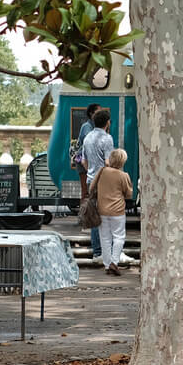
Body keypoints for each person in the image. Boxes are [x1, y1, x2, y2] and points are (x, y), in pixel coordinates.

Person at [93, 148, 136, 275]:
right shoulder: (124, 175)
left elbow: (91, 187)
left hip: (102, 209)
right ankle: (114, 262)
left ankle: (107, 265)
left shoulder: (102, 171)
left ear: (111, 159)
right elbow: (129, 194)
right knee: (119, 237)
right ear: (123, 161)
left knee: (105, 238)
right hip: (118, 211)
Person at [81, 108, 113, 260]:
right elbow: (108, 162)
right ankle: (107, 251)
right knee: (108, 215)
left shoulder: (87, 137)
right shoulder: (107, 138)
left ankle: (97, 251)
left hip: (90, 180)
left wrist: (91, 172)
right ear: (108, 122)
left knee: (94, 215)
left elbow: (83, 161)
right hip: (104, 181)